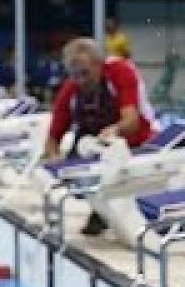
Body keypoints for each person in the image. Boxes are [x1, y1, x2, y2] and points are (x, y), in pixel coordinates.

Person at [43, 37, 157, 236]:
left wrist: (115, 130)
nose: (80, 80)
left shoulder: (120, 72)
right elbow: (52, 138)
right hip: (99, 145)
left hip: (138, 139)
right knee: (81, 156)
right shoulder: (70, 90)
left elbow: (132, 122)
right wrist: (54, 160)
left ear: (99, 64)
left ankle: (115, 211)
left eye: (85, 73)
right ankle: (100, 208)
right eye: (74, 74)